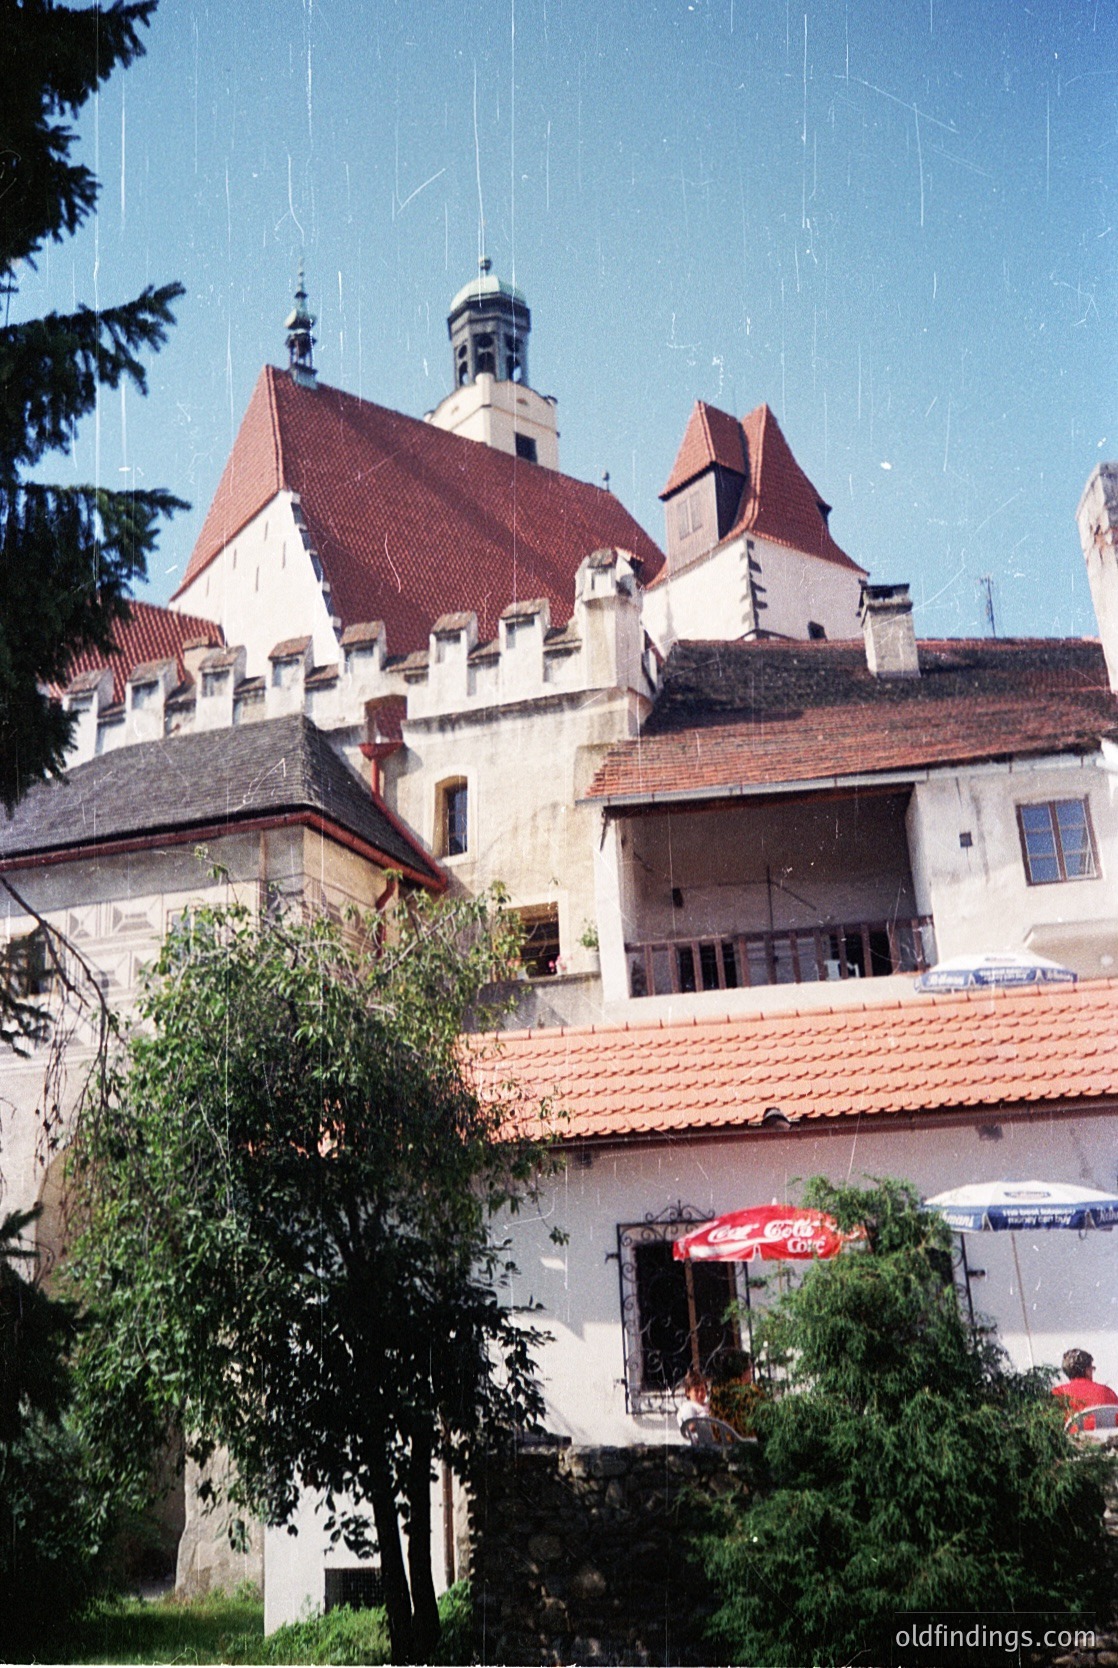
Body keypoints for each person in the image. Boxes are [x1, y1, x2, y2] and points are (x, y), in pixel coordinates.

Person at [1051, 1348, 1118, 1430]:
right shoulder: (1107, 1392)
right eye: (1092, 1368)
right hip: (1109, 1441)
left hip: (1073, 1441)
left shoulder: (1058, 1393)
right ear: (1087, 1370)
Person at [675, 1367, 709, 1433]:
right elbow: (691, 1427)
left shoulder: (707, 1404)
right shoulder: (688, 1406)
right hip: (703, 1439)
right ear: (688, 1392)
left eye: (702, 1389)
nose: (700, 1394)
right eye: (696, 1391)